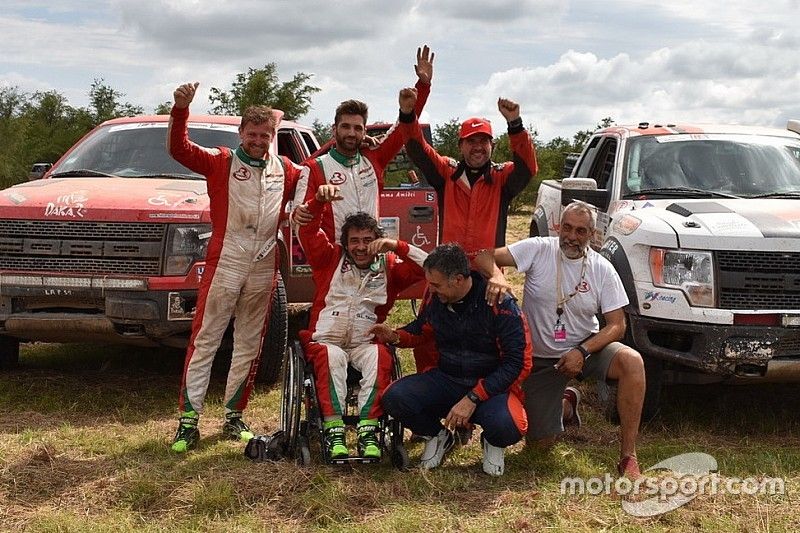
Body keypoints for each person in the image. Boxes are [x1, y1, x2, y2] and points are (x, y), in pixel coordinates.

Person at [167, 82, 304, 453]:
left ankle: (233, 416)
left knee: (248, 342)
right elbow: (180, 149)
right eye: (252, 134)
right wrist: (181, 110)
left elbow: (316, 175)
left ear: (273, 137)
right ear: (241, 133)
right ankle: (188, 421)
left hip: (263, 264)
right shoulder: (221, 161)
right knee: (205, 339)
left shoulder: (288, 171)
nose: (258, 140)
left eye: (265, 135)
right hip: (225, 260)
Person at [476, 200, 646, 478]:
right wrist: (496, 276)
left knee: (632, 361)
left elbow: (617, 326)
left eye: (580, 231)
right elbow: (483, 256)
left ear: (592, 235)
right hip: (539, 359)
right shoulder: (538, 248)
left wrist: (582, 350)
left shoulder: (602, 268)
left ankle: (628, 456)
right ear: (558, 227)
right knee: (539, 447)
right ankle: (567, 404)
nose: (571, 237)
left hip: (585, 349)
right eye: (566, 228)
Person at [395, 86, 538, 375]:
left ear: (492, 146)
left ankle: (482, 400)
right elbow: (417, 150)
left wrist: (515, 125)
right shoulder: (446, 174)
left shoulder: (502, 179)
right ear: (460, 146)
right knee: (431, 340)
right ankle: (434, 392)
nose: (477, 147)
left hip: (487, 278)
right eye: (471, 141)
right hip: (445, 278)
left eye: (484, 141)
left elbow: (528, 167)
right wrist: (408, 115)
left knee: (489, 345)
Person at [372, 243, 533, 476]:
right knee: (394, 399)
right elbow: (423, 328)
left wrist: (473, 397)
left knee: (509, 426)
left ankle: (492, 442)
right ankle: (438, 436)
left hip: (491, 388)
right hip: (447, 378)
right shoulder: (436, 298)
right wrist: (396, 336)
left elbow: (517, 363)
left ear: (458, 279)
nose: (431, 290)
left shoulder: (500, 303)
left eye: (436, 285)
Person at [298, 184, 427, 460]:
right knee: (330, 356)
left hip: (364, 341)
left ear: (378, 241)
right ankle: (334, 431)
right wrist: (318, 201)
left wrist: (397, 246)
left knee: (380, 356)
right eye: (354, 240)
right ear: (345, 243)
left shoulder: (389, 267)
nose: (360, 247)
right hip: (326, 340)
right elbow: (307, 232)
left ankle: (368, 430)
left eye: (367, 240)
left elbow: (428, 266)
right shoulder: (329, 258)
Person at [291, 45, 434, 240]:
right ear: (334, 130)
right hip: (336, 259)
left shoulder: (374, 157)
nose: (351, 133)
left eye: (358, 128)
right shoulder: (314, 168)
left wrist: (423, 85)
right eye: (345, 127)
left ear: (365, 131)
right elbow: (300, 218)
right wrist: (297, 214)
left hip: (372, 256)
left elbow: (404, 124)